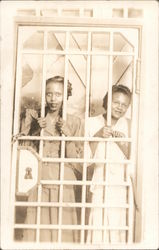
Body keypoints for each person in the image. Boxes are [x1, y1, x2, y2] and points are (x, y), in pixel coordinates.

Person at [20, 76, 83, 242]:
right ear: (44, 95)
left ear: (65, 96)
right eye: (49, 94)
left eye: (58, 94)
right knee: (38, 222)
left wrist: (68, 134)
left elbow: (76, 160)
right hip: (39, 174)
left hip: (64, 176)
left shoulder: (74, 121)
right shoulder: (32, 117)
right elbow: (23, 150)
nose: (53, 99)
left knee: (63, 224)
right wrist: (34, 130)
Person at [87, 85, 132, 243]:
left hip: (121, 185)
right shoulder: (91, 122)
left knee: (117, 228)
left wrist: (122, 143)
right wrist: (98, 136)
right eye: (116, 102)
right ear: (107, 101)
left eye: (124, 104)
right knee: (98, 228)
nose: (119, 107)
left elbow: (135, 160)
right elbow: (84, 160)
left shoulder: (130, 124)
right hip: (99, 183)